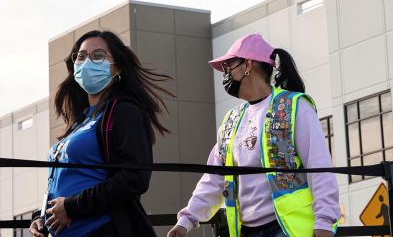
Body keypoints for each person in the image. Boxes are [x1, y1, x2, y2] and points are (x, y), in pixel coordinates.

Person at [168, 33, 339, 237]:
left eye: (228, 66)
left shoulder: (295, 107)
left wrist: (324, 222)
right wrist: (186, 220)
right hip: (245, 231)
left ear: (247, 64)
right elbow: (214, 179)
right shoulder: (231, 120)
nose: (225, 73)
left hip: (287, 230)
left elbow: (319, 166)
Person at [29, 30, 173, 237]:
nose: (87, 62)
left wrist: (72, 206)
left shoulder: (124, 111)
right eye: (81, 56)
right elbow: (63, 184)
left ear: (118, 67)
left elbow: (135, 177)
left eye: (98, 56)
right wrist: (41, 217)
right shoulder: (80, 121)